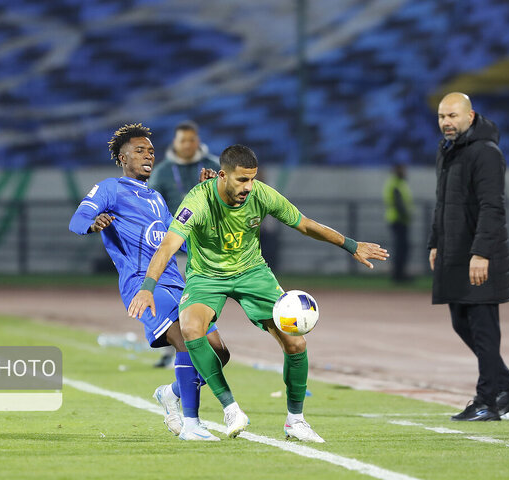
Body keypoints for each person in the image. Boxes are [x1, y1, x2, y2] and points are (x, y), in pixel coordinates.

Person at [128, 144, 388, 442]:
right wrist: (148, 287)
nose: (248, 187)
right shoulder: (198, 200)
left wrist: (352, 245)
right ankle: (230, 408)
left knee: (296, 343)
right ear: (222, 176)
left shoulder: (261, 194)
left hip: (252, 273)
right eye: (242, 180)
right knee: (190, 328)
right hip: (207, 277)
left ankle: (296, 421)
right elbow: (169, 246)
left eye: (252, 179)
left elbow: (304, 224)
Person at [69, 123, 230, 441]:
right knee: (186, 341)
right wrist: (92, 224)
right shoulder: (110, 189)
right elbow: (77, 220)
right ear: (122, 157)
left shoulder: (156, 198)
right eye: (139, 150)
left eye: (151, 151)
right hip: (143, 286)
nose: (148, 155)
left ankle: (171, 393)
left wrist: (206, 199)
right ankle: (191, 424)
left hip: (177, 282)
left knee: (219, 353)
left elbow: (183, 241)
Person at [429, 92, 509, 421]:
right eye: (443, 116)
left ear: (470, 117)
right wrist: (435, 243)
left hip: (479, 256)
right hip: (454, 252)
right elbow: (442, 203)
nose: (446, 122)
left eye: (453, 116)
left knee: (483, 328)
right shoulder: (448, 152)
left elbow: (493, 206)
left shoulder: (486, 153)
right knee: (462, 323)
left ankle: (487, 399)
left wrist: (481, 252)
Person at [148, 120, 219, 368]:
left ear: (198, 140)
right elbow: (152, 207)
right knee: (171, 296)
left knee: (201, 297)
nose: (188, 144)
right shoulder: (163, 171)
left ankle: (202, 343)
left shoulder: (214, 165)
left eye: (192, 139)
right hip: (175, 245)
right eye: (183, 140)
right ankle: (171, 351)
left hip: (206, 247)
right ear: (175, 143)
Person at [383, 164, 413, 282]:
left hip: (399, 220)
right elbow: (398, 203)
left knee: (401, 247)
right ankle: (398, 275)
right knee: (401, 248)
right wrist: (405, 215)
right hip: (398, 220)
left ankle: (399, 273)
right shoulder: (395, 184)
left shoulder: (397, 183)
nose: (404, 172)